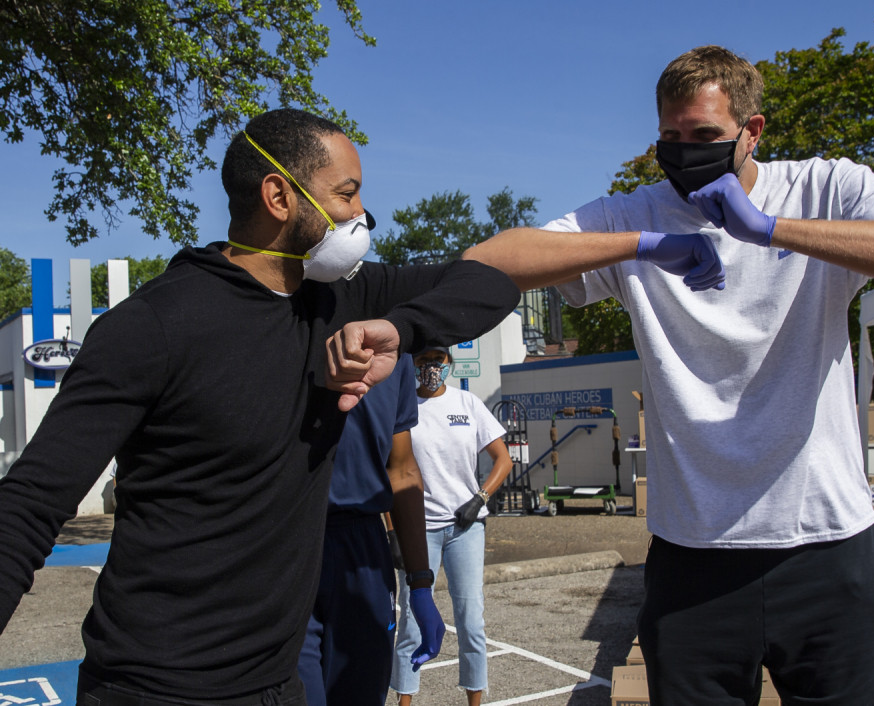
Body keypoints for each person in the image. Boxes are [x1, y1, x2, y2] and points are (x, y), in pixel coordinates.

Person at [462, 45, 874, 705]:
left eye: (704, 136)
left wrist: (771, 231)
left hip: (828, 548)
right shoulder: (634, 216)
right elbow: (490, 261)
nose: (685, 153)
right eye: (670, 138)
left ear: (751, 130)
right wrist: (643, 246)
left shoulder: (825, 188)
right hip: (694, 558)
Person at [0, 108, 523, 704]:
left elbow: (493, 274)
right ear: (278, 194)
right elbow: (28, 506)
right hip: (157, 686)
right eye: (346, 194)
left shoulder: (340, 297)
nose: (361, 215)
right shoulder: (153, 325)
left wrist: (638, 240)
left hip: (276, 685)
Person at [297, 354, 445, 706]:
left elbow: (403, 469)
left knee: (360, 694)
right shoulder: (285, 332)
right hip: (289, 541)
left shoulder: (396, 356)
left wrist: (421, 584)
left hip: (361, 546)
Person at [390, 346, 513, 706]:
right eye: (424, 359)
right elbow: (390, 469)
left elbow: (502, 459)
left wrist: (480, 499)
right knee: (411, 625)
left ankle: (475, 699)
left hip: (466, 528)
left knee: (471, 621)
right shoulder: (403, 406)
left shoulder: (468, 404)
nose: (432, 367)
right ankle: (405, 699)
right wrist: (393, 531)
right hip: (419, 531)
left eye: (439, 360)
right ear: (412, 364)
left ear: (450, 363)